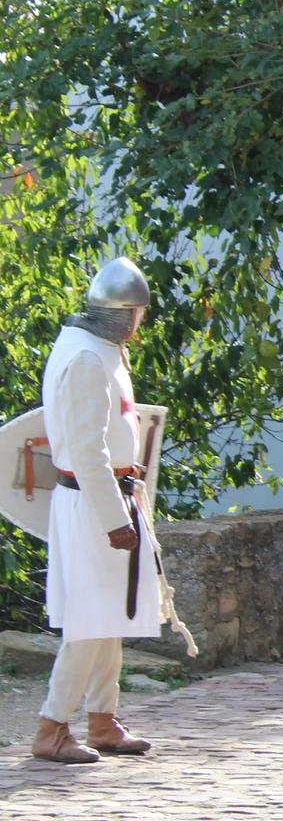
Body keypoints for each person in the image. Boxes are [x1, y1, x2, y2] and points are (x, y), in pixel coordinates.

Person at [31, 258, 161, 764]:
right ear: (124, 313)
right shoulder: (86, 358)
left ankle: (103, 720)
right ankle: (52, 727)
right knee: (90, 619)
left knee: (111, 614)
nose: (140, 323)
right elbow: (87, 451)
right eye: (138, 314)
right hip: (92, 503)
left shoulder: (97, 349)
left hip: (105, 497)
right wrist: (114, 519)